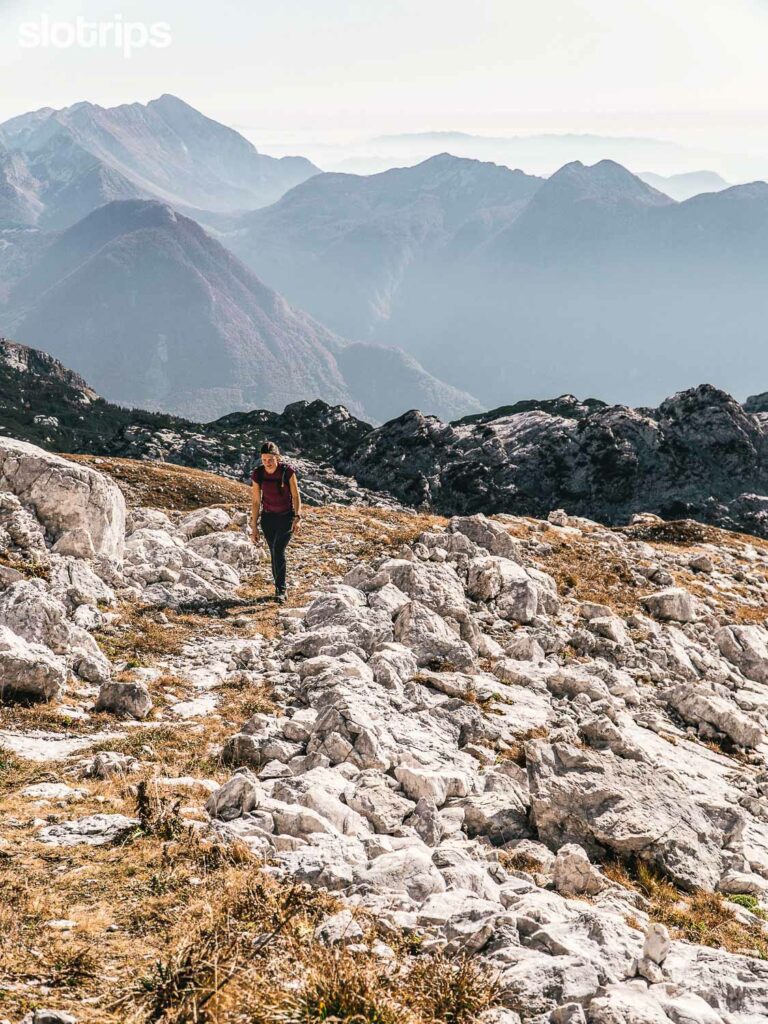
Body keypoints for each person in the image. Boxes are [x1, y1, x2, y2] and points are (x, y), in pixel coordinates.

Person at [250, 441, 302, 603]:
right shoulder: (258, 474)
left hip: (286, 517)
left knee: (278, 549)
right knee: (273, 552)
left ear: (277, 457)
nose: (267, 463)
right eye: (264, 459)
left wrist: (298, 517)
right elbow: (256, 502)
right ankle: (278, 587)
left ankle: (281, 589)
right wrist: (254, 527)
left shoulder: (287, 472)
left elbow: (296, 495)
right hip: (268, 518)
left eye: (271, 459)